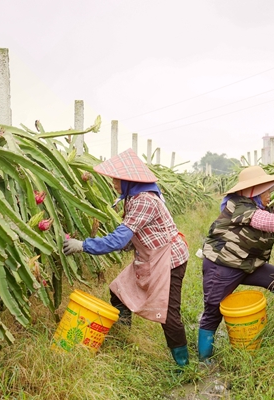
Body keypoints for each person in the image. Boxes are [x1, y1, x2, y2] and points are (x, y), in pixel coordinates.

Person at [63, 149, 190, 368]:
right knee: (118, 292)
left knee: (168, 314)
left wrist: (83, 245)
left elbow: (119, 239)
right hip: (150, 256)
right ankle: (124, 340)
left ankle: (183, 364)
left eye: (116, 179)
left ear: (129, 180)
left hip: (168, 260)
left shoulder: (144, 200)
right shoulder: (133, 197)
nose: (113, 182)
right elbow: (136, 233)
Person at [198, 165, 274, 363]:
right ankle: (204, 359)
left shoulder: (261, 205)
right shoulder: (240, 206)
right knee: (213, 311)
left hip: (247, 264)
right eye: (266, 191)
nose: (269, 195)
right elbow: (267, 222)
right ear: (253, 191)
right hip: (222, 266)